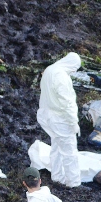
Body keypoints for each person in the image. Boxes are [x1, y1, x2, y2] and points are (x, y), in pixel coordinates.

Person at [37, 52, 82, 188]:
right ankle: (74, 183)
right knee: (69, 151)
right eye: (75, 68)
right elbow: (67, 103)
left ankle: (57, 177)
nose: (74, 71)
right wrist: (73, 122)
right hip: (60, 119)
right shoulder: (61, 76)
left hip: (46, 115)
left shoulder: (49, 70)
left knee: (56, 146)